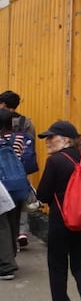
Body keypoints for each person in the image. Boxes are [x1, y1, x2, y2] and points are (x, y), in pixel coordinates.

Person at [36, 121, 81, 301]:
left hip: (62, 223)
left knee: (57, 265)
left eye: (51, 137)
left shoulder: (55, 161)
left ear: (66, 140)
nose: (47, 141)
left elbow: (42, 194)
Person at [0, 90, 35, 250]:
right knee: (20, 200)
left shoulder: (2, 120)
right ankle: (21, 232)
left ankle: (8, 246)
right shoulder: (25, 122)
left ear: (3, 104)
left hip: (3, 173)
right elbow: (30, 145)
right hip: (19, 168)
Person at [0, 109, 27, 258]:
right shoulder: (18, 138)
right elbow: (19, 156)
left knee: (2, 223)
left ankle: (5, 256)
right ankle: (13, 249)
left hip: (2, 185)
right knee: (14, 219)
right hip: (17, 184)